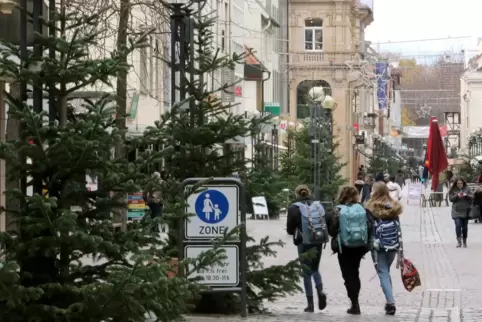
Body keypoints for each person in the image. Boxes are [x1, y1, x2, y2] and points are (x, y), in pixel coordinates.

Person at [328, 186, 370, 315]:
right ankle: (355, 301)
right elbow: (369, 226)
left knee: (348, 275)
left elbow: (332, 230)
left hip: (344, 247)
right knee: (355, 272)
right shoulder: (361, 208)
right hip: (359, 246)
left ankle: (354, 303)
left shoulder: (338, 210)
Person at [286, 185, 328, 313]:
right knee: (315, 268)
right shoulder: (317, 206)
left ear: (297, 194)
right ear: (309, 193)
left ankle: (310, 305)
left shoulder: (294, 208)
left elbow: (289, 230)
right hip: (318, 240)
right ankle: (320, 291)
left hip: (303, 242)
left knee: (306, 272)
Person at [365, 182, 403, 316]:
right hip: (392, 243)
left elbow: (368, 228)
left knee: (382, 272)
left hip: (377, 244)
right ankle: (389, 302)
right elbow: (398, 227)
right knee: (385, 271)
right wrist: (400, 249)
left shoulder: (370, 207)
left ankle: (391, 303)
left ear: (375, 191)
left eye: (372, 189)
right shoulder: (394, 206)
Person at [449, 179, 473, 247]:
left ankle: (464, 240)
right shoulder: (453, 189)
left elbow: (472, 196)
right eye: (458, 183)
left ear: (463, 183)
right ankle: (459, 241)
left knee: (465, 227)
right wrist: (457, 195)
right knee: (458, 225)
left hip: (466, 210)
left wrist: (466, 195)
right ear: (456, 184)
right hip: (456, 211)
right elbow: (450, 199)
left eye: (461, 183)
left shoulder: (467, 188)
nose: (460, 184)